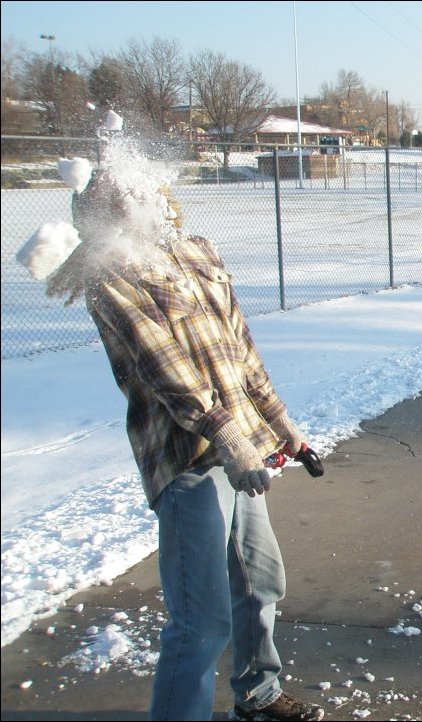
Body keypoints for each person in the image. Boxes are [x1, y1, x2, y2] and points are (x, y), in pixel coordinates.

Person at [37, 161, 326, 721]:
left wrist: (280, 423)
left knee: (260, 584)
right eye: (136, 196)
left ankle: (259, 695)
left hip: (241, 450)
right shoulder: (110, 274)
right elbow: (164, 367)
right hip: (186, 459)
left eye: (153, 191)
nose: (157, 202)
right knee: (202, 617)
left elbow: (239, 347)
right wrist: (230, 439)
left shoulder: (196, 253)